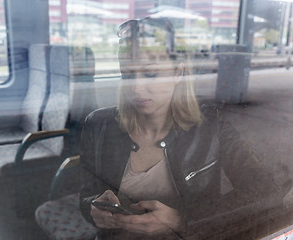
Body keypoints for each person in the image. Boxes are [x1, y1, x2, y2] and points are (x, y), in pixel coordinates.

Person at [79, 17, 282, 239]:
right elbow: (86, 194)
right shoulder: (99, 126)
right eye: (127, 74)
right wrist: (94, 209)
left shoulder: (211, 126)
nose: (136, 87)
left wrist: (182, 221)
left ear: (178, 72)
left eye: (150, 74)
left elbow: (266, 192)